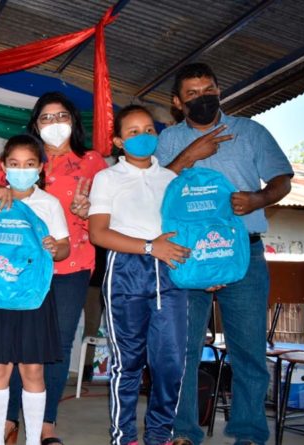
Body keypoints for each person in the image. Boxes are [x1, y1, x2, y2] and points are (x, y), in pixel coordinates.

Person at [157, 63, 293, 445]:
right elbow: (155, 189)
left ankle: (249, 434)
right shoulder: (168, 139)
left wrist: (259, 198)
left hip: (244, 256)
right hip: (185, 257)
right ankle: (183, 432)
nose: (203, 98)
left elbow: (282, 178)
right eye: (193, 94)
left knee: (248, 349)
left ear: (220, 90)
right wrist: (190, 154)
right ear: (177, 103)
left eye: (209, 90)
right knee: (181, 350)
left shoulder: (250, 131)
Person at [0, 91, 107, 444]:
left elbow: (112, 207)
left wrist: (88, 210)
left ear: (74, 121)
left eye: (61, 116)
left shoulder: (92, 161)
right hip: (17, 271)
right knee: (13, 347)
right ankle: (7, 421)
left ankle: (46, 424)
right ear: (35, 124)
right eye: (46, 118)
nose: (54, 124)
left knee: (56, 345)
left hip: (71, 264)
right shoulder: (23, 155)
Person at [88, 105, 190, 445]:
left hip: (172, 273)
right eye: (133, 131)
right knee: (127, 363)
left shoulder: (171, 180)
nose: (143, 136)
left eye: (149, 130)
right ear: (118, 141)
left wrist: (204, 268)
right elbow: (98, 234)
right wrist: (149, 247)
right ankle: (125, 437)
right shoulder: (106, 178)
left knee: (171, 362)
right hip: (125, 272)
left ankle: (160, 435)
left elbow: (186, 231)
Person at [0, 135, 70, 445]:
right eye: (15, 164)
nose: (22, 169)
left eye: (30, 164)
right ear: (4, 167)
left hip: (33, 299)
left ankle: (34, 440)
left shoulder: (49, 204)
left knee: (33, 371)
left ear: (40, 168)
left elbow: (63, 248)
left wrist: (55, 247)